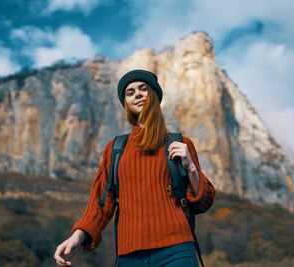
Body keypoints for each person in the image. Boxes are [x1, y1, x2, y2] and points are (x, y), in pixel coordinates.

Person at [54, 69, 216, 267]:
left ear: (154, 95)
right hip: (130, 256)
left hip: (177, 250)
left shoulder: (181, 144)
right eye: (129, 93)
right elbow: (102, 202)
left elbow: (203, 203)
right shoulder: (115, 149)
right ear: (126, 104)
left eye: (143, 89)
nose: (137, 94)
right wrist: (77, 237)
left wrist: (191, 168)